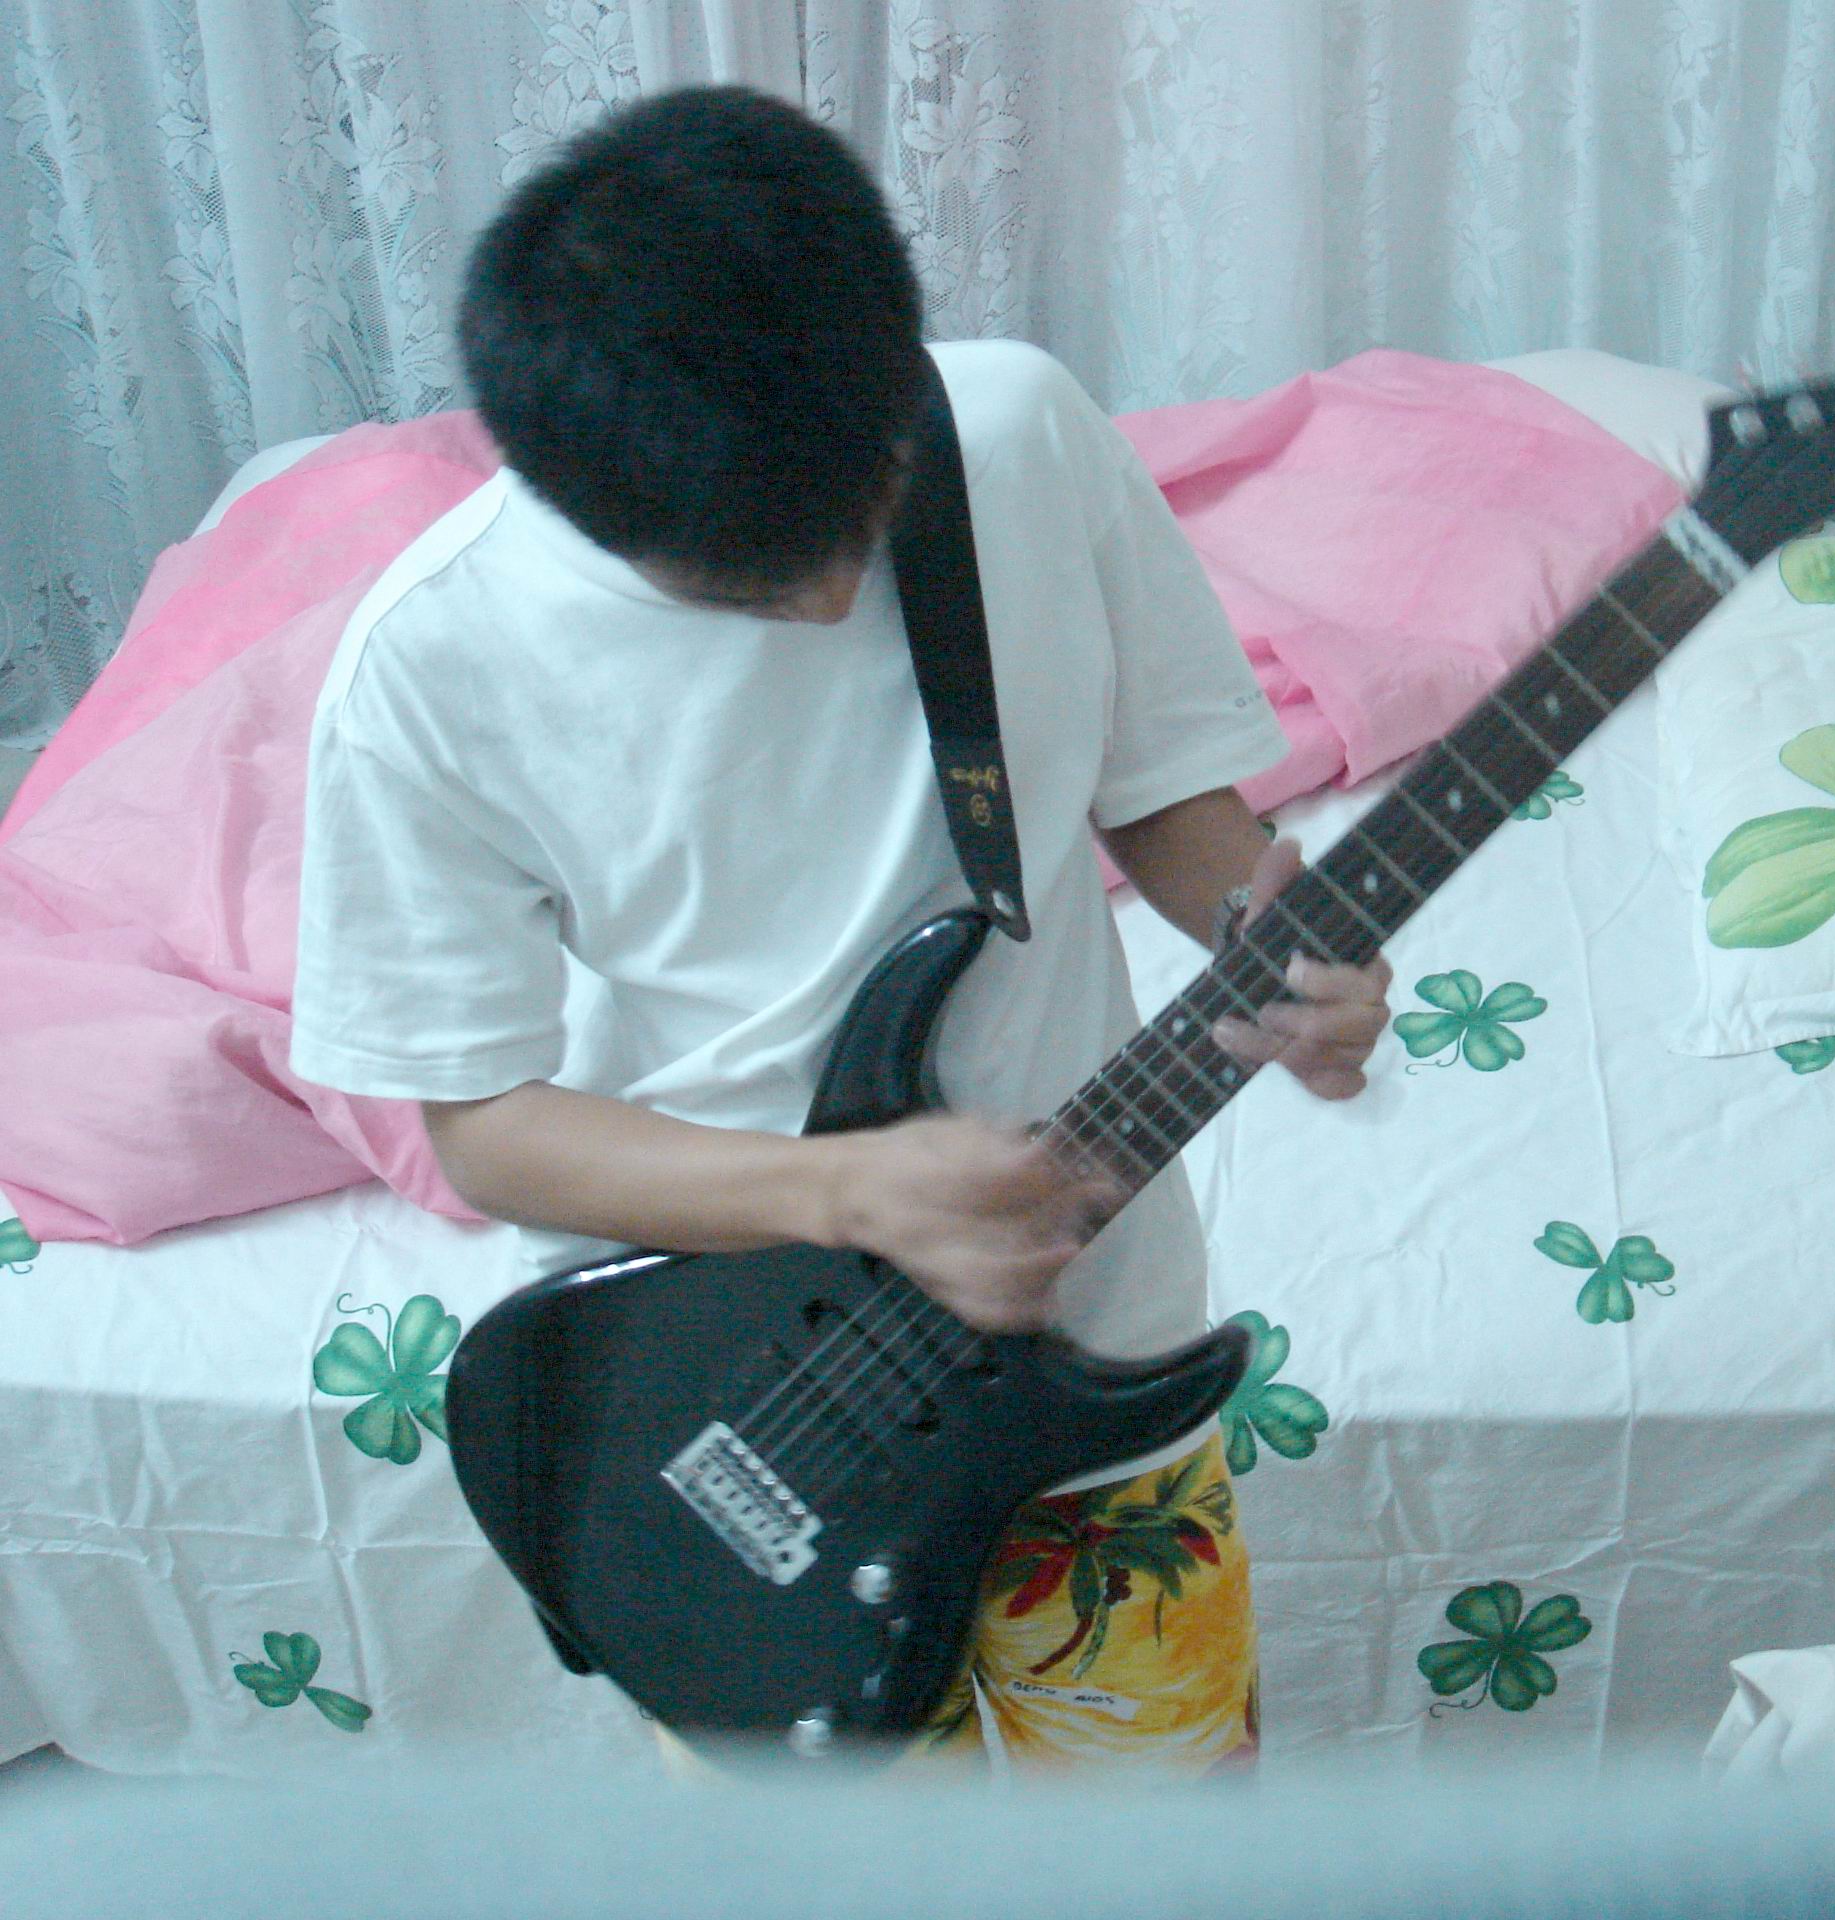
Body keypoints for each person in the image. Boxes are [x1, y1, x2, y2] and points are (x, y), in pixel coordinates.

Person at [286, 85, 1391, 1775]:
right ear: (569, 492)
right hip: (714, 1393)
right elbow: (486, 1131)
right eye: (742, 578)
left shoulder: (1019, 431)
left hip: (1090, 1323)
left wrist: (1276, 941)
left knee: (1175, 1869)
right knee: (838, 1894)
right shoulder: (428, 670)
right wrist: (850, 1191)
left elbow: (1164, 790)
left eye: (855, 525)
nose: (819, 599)